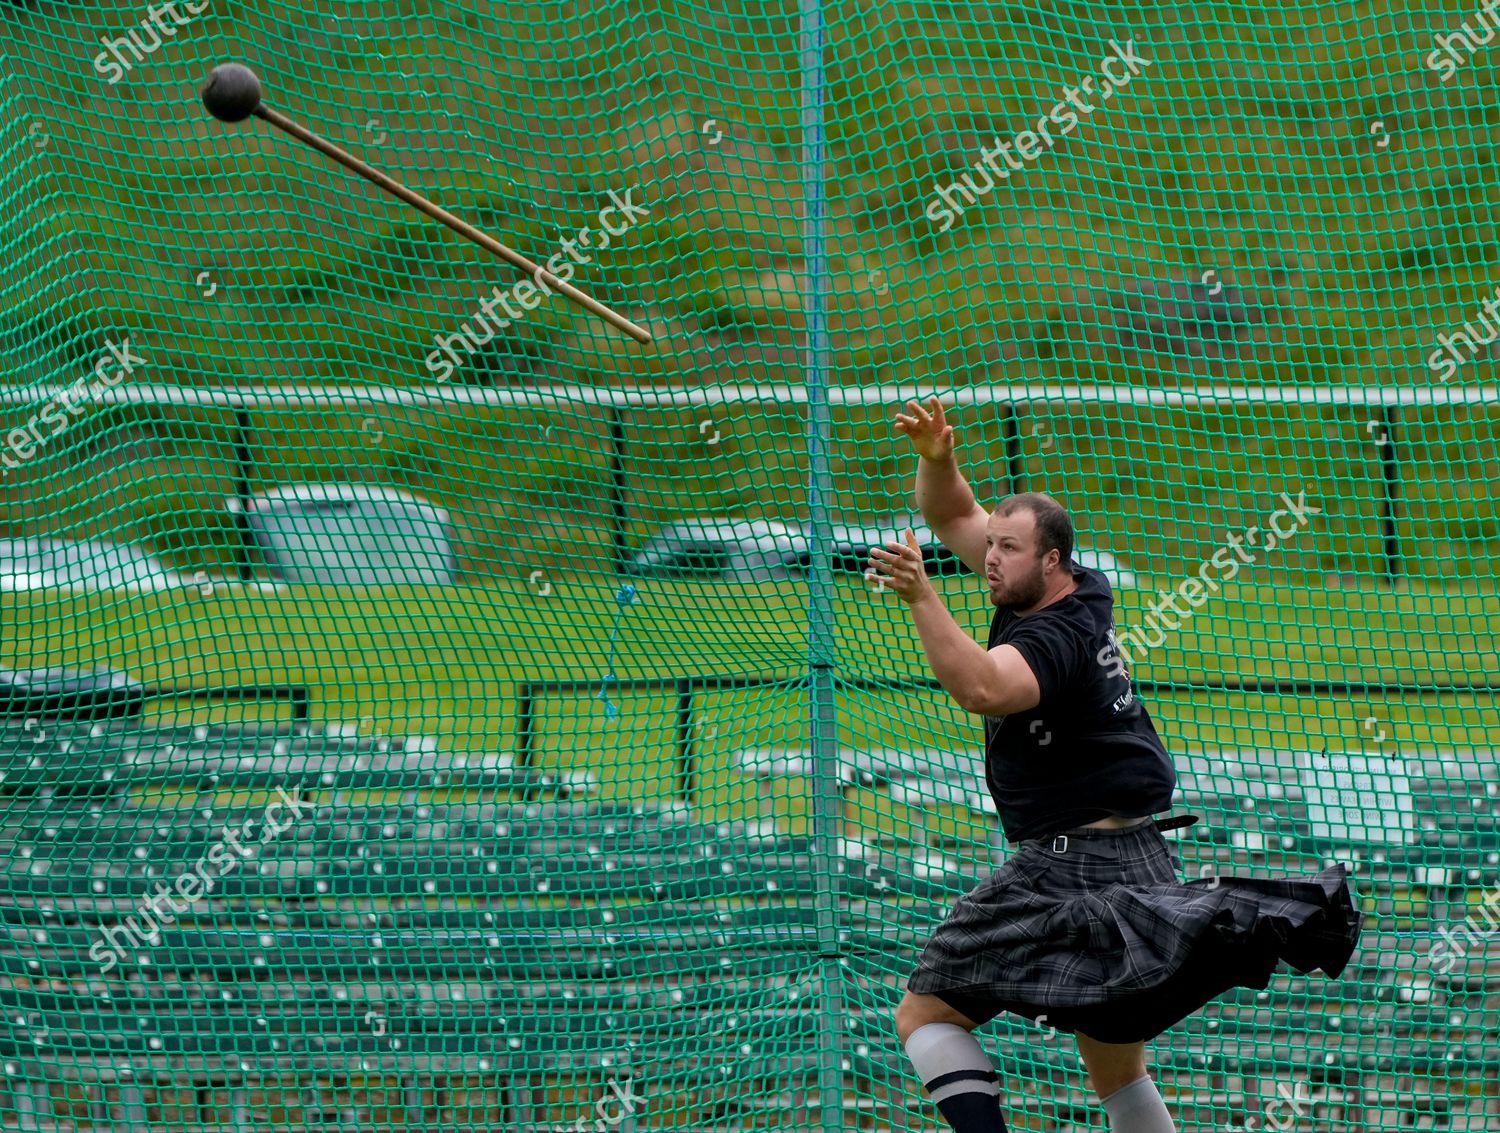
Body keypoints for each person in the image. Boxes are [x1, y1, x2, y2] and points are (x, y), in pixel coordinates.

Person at [861, 397, 1363, 1133]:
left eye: (1008, 549)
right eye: (991, 545)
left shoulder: (1057, 638)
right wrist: (938, 461)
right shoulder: (1072, 587)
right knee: (1114, 1059)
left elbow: (982, 687)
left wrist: (921, 594)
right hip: (1138, 852)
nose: (990, 558)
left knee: (926, 1008)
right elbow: (952, 515)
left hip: (1069, 864)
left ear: (1051, 560)